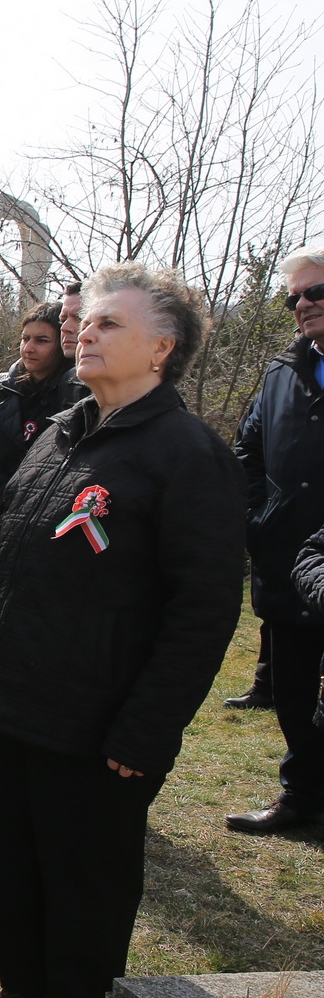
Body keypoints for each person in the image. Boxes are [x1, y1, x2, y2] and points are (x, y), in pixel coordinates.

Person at [0, 262, 244, 998]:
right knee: (12, 860)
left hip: (97, 720)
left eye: (110, 323)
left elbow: (203, 612)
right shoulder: (62, 433)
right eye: (87, 321)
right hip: (13, 701)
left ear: (162, 348)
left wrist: (147, 729)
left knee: (85, 878)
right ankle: (23, 994)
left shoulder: (187, 456)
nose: (85, 333)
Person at [228, 244, 324, 835]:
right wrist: (256, 519)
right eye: (294, 298)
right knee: (292, 691)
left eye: (317, 292)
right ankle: (301, 796)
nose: (303, 305)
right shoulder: (281, 372)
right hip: (286, 557)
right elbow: (248, 452)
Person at [0, 304, 87, 665]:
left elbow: (69, 479)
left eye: (42, 340)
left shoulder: (76, 396)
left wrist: (5, 527)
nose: (29, 348)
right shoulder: (0, 390)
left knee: (15, 639)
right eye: (25, 338)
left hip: (32, 533)